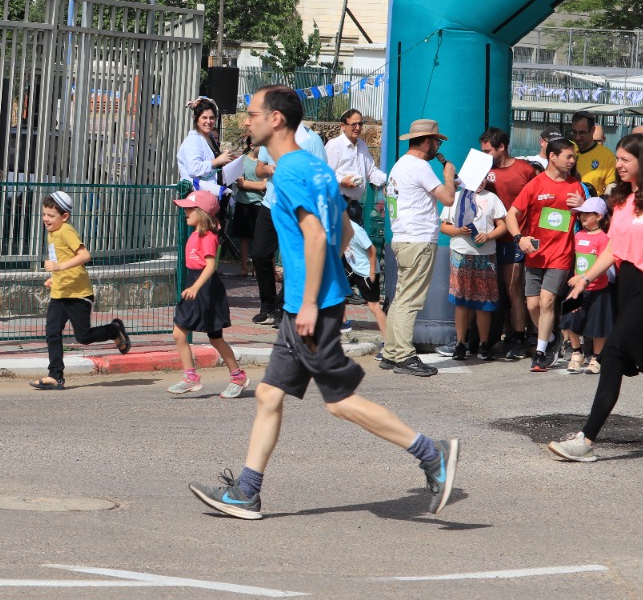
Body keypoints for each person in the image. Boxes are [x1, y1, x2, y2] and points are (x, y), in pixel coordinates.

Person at [188, 85, 459, 520]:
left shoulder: (293, 171)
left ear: (276, 119)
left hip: (309, 305)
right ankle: (246, 491)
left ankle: (432, 454)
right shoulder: (316, 168)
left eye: (253, 113)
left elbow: (316, 235)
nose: (246, 120)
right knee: (270, 395)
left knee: (339, 402)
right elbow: (345, 234)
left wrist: (311, 301)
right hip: (308, 301)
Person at [547, 134, 643, 462]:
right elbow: (613, 246)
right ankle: (586, 437)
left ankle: (586, 439)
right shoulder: (622, 198)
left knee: (614, 351)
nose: (618, 164)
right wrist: (585, 277)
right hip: (628, 285)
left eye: (625, 159)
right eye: (618, 158)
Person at [31, 190, 129, 389]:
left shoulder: (66, 231)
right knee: (52, 332)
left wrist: (58, 268)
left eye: (51, 215)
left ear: (64, 216)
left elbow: (85, 255)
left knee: (83, 337)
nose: (46, 219)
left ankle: (114, 330)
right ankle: (55, 375)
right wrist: (55, 276)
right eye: (44, 214)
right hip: (60, 293)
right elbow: (64, 260)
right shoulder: (52, 233)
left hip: (78, 295)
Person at [382, 119, 456, 377]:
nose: (438, 146)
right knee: (410, 300)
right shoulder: (421, 166)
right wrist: (448, 177)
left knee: (401, 297)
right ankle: (403, 355)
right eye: (437, 141)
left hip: (402, 237)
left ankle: (392, 352)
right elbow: (447, 198)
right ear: (426, 141)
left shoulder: (400, 166)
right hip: (418, 239)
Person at [505, 137, 584, 372]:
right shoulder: (535, 184)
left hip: (561, 254)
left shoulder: (576, 186)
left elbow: (592, 218)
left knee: (547, 300)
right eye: (568, 156)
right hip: (536, 254)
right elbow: (511, 215)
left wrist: (583, 205)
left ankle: (540, 352)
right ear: (552, 156)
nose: (572, 161)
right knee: (532, 305)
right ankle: (550, 338)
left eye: (573, 157)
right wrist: (520, 238)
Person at [166, 189, 248, 399]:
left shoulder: (208, 236)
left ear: (202, 212)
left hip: (207, 289)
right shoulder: (194, 234)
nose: (185, 212)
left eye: (189, 209)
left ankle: (238, 377)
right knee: (178, 333)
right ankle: (191, 377)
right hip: (193, 284)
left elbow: (211, 266)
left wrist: (196, 288)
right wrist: (192, 286)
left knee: (216, 339)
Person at [250, 123, 327, 327]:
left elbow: (321, 175)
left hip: (297, 208)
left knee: (293, 259)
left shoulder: (312, 140)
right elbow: (259, 170)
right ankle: (267, 304)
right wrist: (266, 168)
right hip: (270, 205)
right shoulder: (270, 137)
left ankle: (283, 308)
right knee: (259, 254)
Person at [479, 127, 541, 359]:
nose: (484, 155)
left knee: (513, 288)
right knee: (496, 291)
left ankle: (518, 336)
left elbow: (537, 204)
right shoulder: (484, 171)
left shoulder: (525, 170)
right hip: (485, 241)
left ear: (501, 147)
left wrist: (529, 236)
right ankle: (493, 337)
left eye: (488, 151)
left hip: (514, 239)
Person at [438, 175, 508, 361]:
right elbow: (444, 226)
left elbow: (503, 225)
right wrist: (459, 231)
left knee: (483, 302)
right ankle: (461, 344)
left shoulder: (492, 198)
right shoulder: (456, 197)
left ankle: (484, 345)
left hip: (485, 256)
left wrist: (489, 235)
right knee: (461, 301)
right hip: (460, 253)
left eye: (484, 178)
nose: (481, 182)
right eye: (477, 177)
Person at [558, 197, 613, 375]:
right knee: (568, 319)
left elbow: (603, 264)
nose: (582, 217)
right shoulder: (578, 235)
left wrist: (582, 277)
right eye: (581, 213)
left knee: (598, 326)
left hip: (597, 290)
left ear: (598, 216)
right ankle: (576, 352)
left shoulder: (604, 239)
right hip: (577, 289)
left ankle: (596, 358)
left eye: (587, 214)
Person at [325, 108, 386, 221]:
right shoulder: (334, 145)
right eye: (354, 124)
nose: (357, 128)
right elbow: (325, 174)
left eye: (360, 124)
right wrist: (342, 181)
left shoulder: (362, 145)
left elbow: (371, 171)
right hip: (337, 204)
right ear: (343, 126)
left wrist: (388, 179)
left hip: (354, 205)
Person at [342, 215, 387, 350]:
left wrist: (372, 272)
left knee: (374, 308)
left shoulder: (355, 230)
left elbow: (372, 249)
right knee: (336, 292)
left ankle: (389, 342)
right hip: (353, 268)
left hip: (365, 272)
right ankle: (343, 323)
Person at [176, 97, 237, 191]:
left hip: (214, 195)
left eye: (212, 118)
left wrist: (225, 160)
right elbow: (195, 169)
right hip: (198, 197)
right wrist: (218, 160)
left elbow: (212, 163)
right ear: (196, 119)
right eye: (204, 117)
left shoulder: (210, 138)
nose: (208, 121)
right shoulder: (193, 140)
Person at [231, 145, 265, 277]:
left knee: (259, 237)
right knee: (244, 237)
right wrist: (259, 185)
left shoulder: (265, 162)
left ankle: (257, 268)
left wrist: (249, 183)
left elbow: (265, 184)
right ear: (252, 145)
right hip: (243, 202)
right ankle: (244, 267)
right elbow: (241, 183)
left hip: (261, 203)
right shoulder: (242, 160)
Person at [570, 111, 617, 197]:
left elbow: (610, 190)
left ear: (592, 130)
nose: (577, 137)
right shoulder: (568, 151)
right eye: (574, 132)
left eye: (582, 133)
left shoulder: (607, 156)